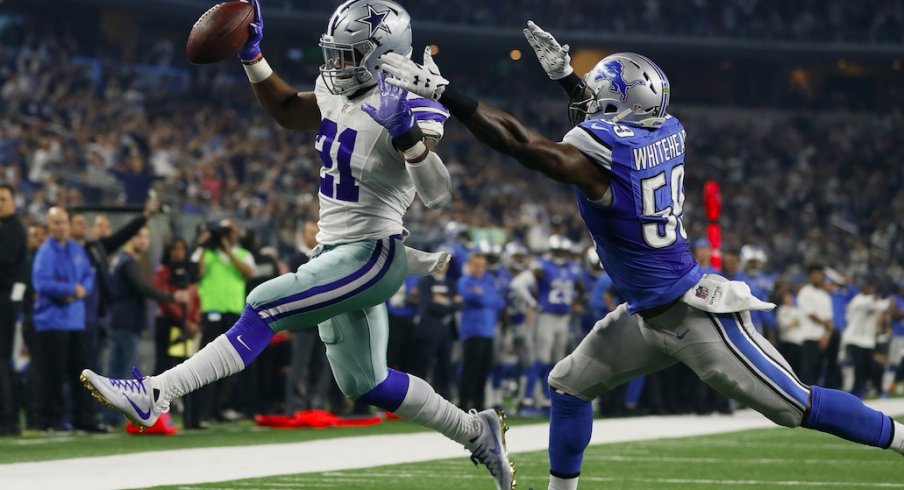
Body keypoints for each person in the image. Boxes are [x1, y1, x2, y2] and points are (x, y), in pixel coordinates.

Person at [379, 20, 904, 490]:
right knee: (567, 386)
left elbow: (527, 147)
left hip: (692, 314)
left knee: (797, 407)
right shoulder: (666, 130)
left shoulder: (603, 157)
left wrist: (450, 95)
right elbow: (598, 130)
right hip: (647, 314)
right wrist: (568, 79)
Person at [81, 2, 514, 488]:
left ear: (385, 54)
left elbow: (437, 193)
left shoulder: (414, 99)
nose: (337, 66)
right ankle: (475, 431)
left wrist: (408, 134)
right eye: (335, 54)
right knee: (363, 382)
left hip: (372, 253)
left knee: (263, 303)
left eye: (350, 57)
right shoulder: (335, 85)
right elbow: (289, 110)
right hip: (334, 252)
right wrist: (253, 57)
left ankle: (156, 393)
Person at [33, 207, 97, 432]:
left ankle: (84, 419)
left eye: (63, 222)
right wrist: (71, 289)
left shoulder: (76, 250)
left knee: (81, 375)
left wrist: (82, 290)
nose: (60, 226)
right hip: (52, 321)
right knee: (53, 374)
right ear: (48, 226)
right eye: (56, 223)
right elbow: (42, 284)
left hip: (75, 321)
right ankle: (51, 420)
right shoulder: (45, 253)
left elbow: (89, 275)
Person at [108, 227, 188, 380]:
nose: (143, 240)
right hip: (126, 323)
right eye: (138, 235)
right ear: (129, 238)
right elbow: (142, 288)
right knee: (123, 375)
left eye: (146, 236)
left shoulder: (121, 259)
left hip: (121, 321)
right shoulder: (128, 262)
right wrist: (172, 297)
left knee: (118, 371)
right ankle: (114, 405)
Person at [457, 250, 505, 411]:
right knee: (470, 370)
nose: (479, 268)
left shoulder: (488, 281)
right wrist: (485, 297)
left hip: (488, 331)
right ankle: (464, 405)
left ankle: (479, 405)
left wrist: (482, 295)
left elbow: (499, 302)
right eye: (476, 265)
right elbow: (471, 297)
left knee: (484, 371)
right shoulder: (465, 281)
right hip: (472, 331)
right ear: (470, 265)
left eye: (482, 266)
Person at [0, 183, 27, 435]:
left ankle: (8, 420)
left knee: (3, 361)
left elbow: (4, 259)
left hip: (5, 301)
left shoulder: (14, 229)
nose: (0, 203)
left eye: (3, 199)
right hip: (7, 299)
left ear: (13, 202)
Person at [796, 265, 835, 385]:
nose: (818, 277)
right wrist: (825, 325)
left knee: (819, 367)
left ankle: (817, 395)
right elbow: (810, 314)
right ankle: (805, 396)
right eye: (815, 274)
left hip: (822, 337)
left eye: (820, 275)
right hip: (809, 336)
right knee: (808, 368)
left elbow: (829, 319)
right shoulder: (805, 292)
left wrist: (826, 336)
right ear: (810, 276)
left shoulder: (825, 296)